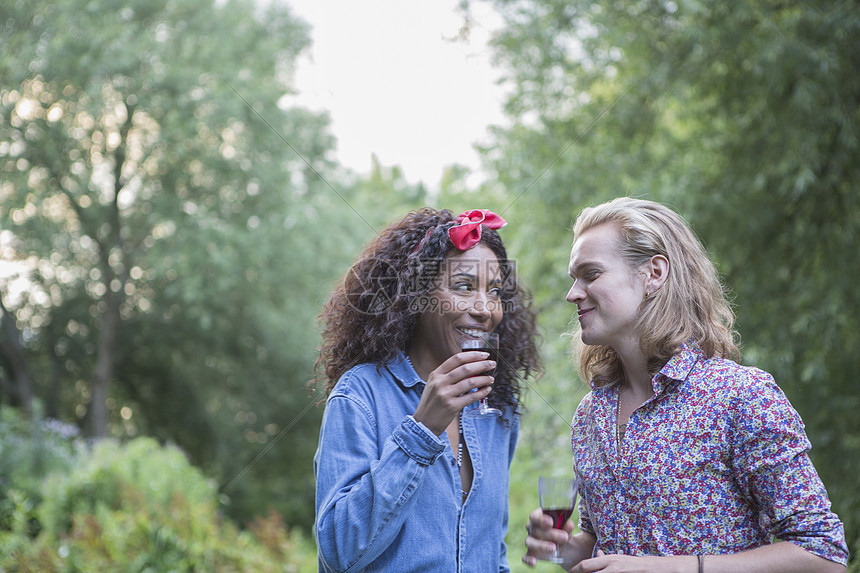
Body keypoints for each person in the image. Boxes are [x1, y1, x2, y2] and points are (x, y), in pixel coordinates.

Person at [523, 197, 849, 572]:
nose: (573, 293)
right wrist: (562, 548)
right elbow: (603, 542)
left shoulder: (739, 396)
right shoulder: (590, 414)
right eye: (573, 279)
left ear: (654, 273)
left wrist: (671, 568)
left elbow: (823, 555)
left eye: (591, 274)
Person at [314, 207, 542, 572]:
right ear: (419, 296)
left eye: (494, 291)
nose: (485, 309)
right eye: (464, 286)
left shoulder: (499, 407)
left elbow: (489, 550)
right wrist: (421, 430)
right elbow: (339, 553)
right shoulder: (360, 394)